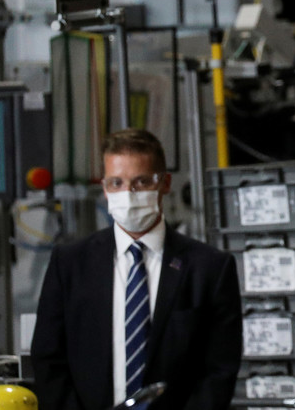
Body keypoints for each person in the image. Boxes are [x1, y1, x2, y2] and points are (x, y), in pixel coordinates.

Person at [31, 128, 242, 409]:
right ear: (105, 188)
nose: (127, 194)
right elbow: (48, 359)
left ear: (165, 183)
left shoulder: (209, 269)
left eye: (141, 182)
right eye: (116, 183)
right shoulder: (70, 263)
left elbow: (219, 370)